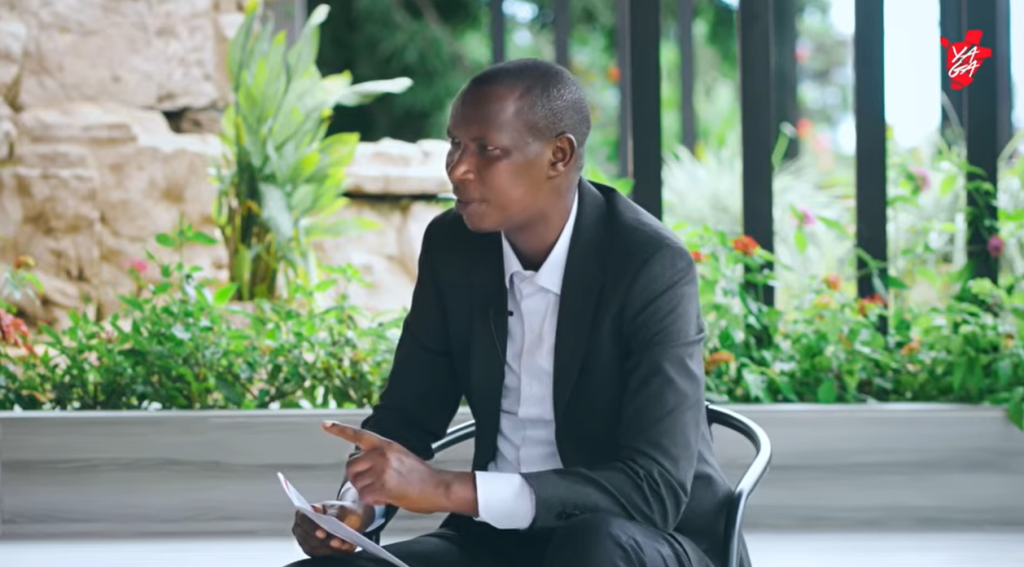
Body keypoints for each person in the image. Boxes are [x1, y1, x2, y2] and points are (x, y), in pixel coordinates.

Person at [286, 58, 749, 567]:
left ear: (558, 155)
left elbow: (653, 490)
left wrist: (448, 489)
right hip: (494, 540)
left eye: (487, 150)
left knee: (590, 549)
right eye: (454, 144)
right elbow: (408, 413)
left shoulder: (648, 264)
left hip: (645, 540)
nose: (458, 168)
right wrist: (358, 508)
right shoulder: (454, 246)